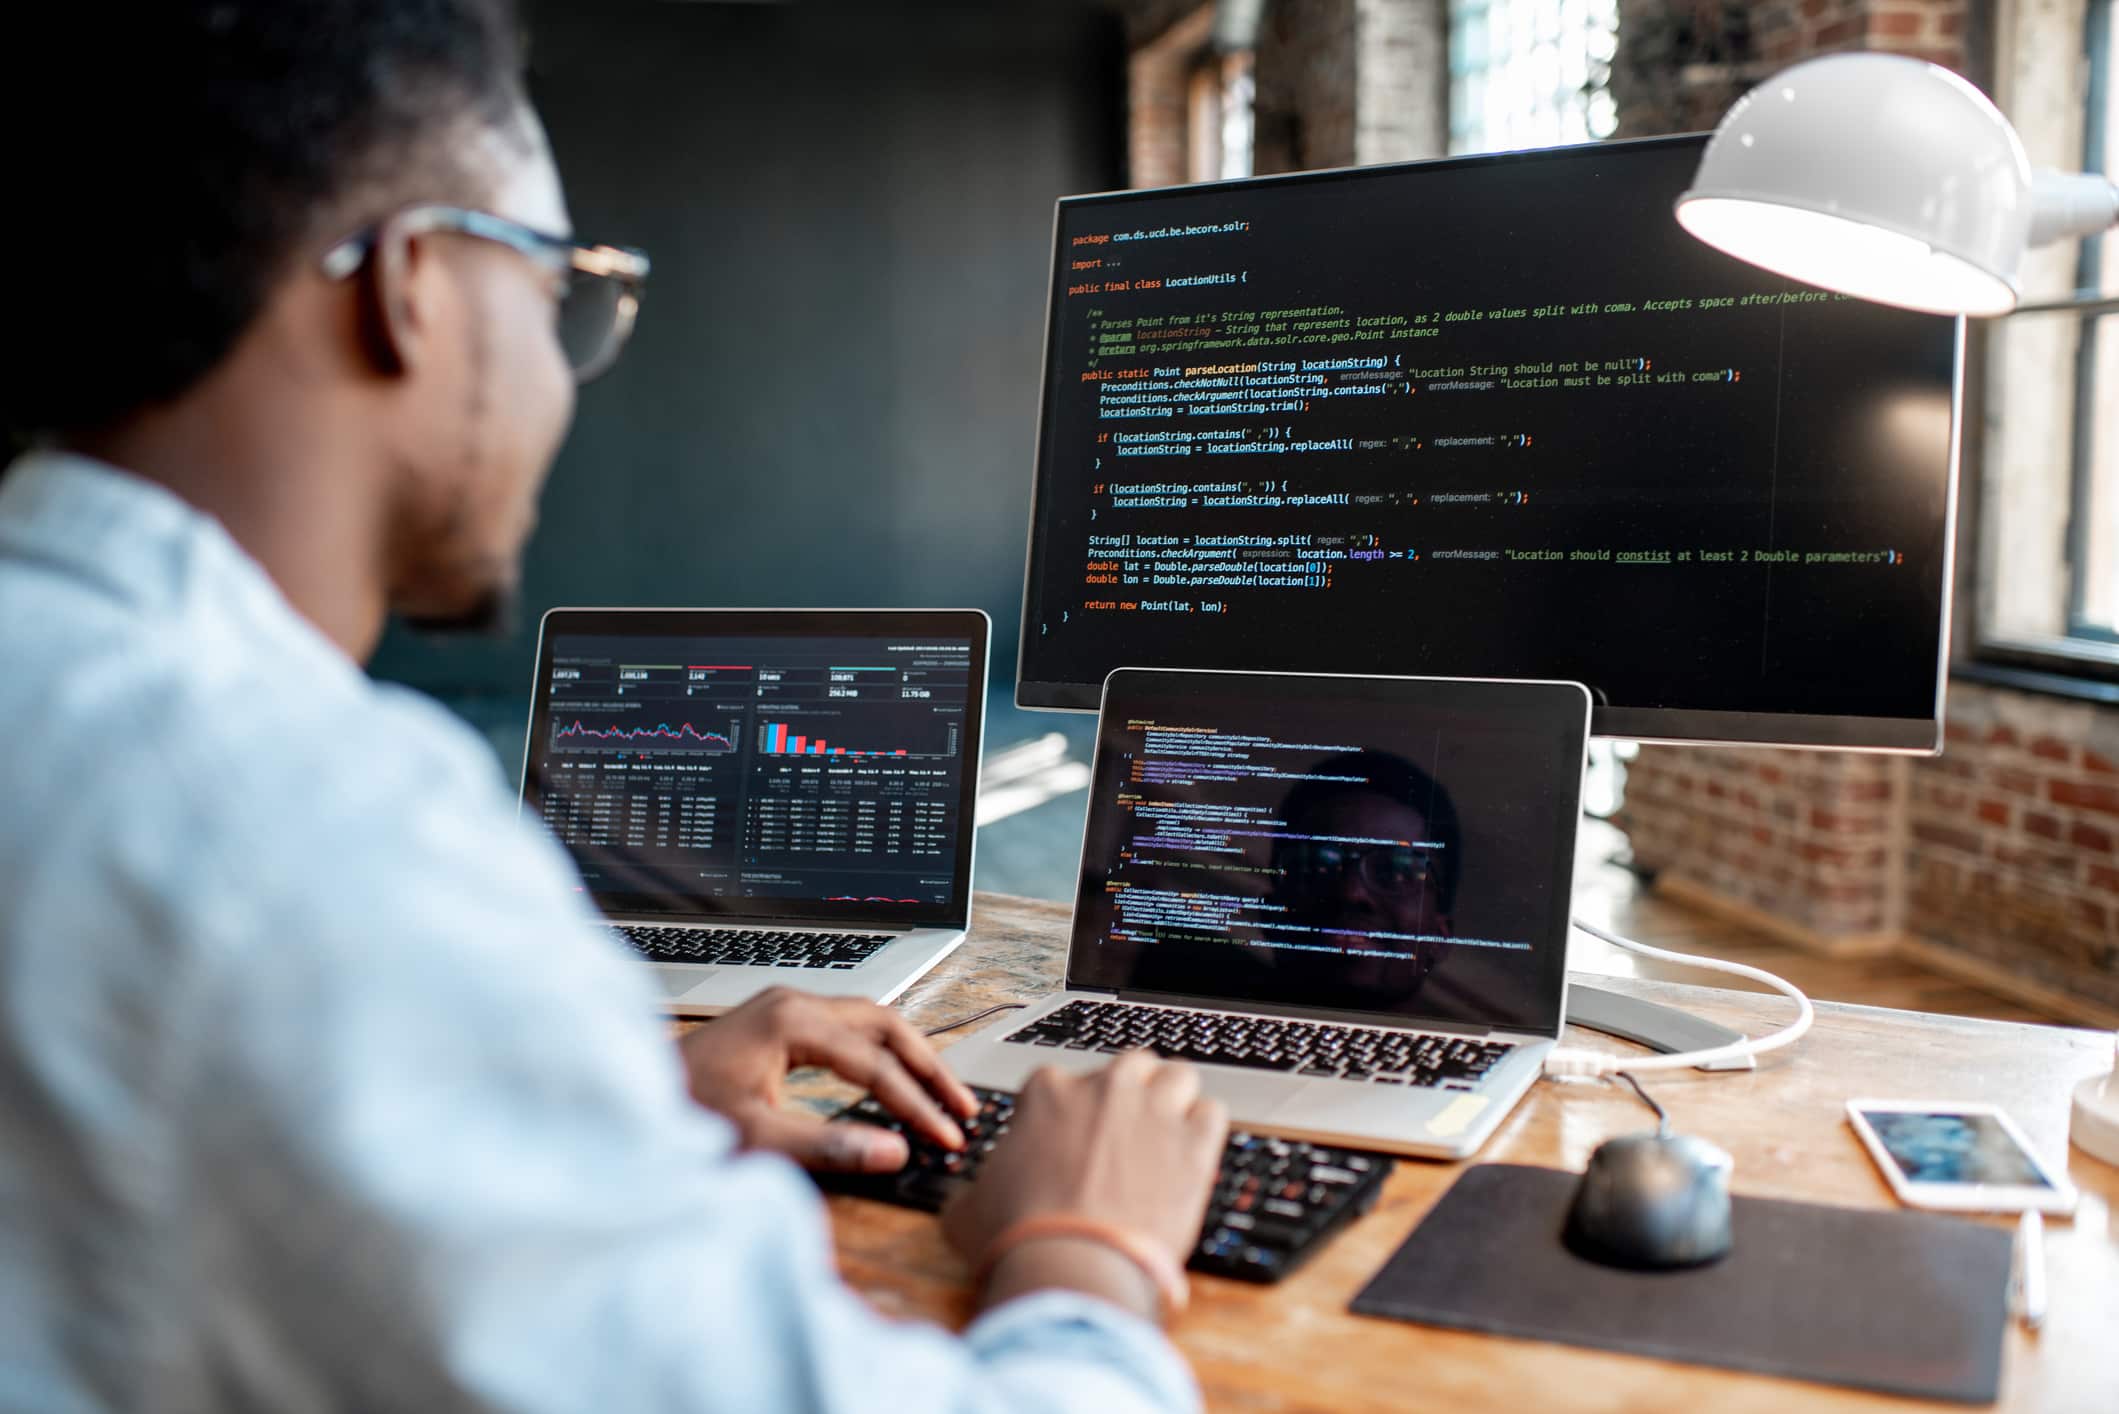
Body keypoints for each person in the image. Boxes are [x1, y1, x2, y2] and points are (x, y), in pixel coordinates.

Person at [0, 4, 1226, 1410]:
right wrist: (1092, 1248)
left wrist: (596, 1122)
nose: (563, 377)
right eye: (558, 293)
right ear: (411, 285)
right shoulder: (317, 836)